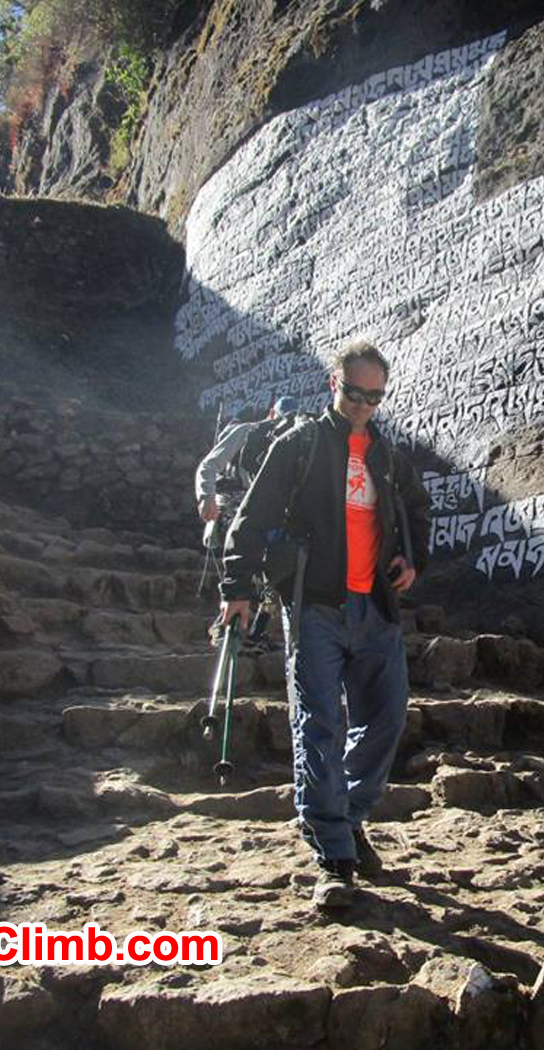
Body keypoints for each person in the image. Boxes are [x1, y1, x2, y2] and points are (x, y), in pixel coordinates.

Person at [218, 341, 429, 909]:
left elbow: (417, 506)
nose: (363, 405)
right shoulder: (301, 444)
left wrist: (413, 559)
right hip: (314, 607)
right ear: (333, 384)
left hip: (376, 609)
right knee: (319, 724)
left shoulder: (386, 455)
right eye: (355, 392)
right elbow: (251, 517)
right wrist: (236, 589)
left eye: (375, 397)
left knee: (386, 720)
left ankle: (349, 819)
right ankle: (333, 854)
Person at [195, 396, 300, 530]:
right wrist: (206, 496)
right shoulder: (247, 432)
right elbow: (209, 465)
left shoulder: (292, 442)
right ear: (272, 413)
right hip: (233, 503)